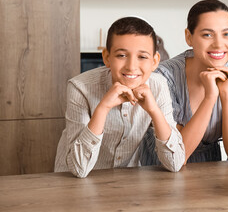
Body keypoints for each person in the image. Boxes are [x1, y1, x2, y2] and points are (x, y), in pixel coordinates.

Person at [54, 17, 185, 178]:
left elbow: (175, 163)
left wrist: (154, 110)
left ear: (155, 61)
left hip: (125, 182)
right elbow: (79, 168)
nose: (131, 66)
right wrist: (102, 108)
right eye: (122, 55)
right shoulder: (79, 87)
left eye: (142, 57)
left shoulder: (158, 86)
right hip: (71, 181)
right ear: (107, 57)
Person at [140, 0, 228, 164]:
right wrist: (210, 97)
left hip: (207, 171)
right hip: (158, 170)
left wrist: (226, 95)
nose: (218, 44)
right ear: (189, 37)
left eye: (226, 34)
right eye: (207, 34)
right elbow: (177, 156)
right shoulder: (164, 77)